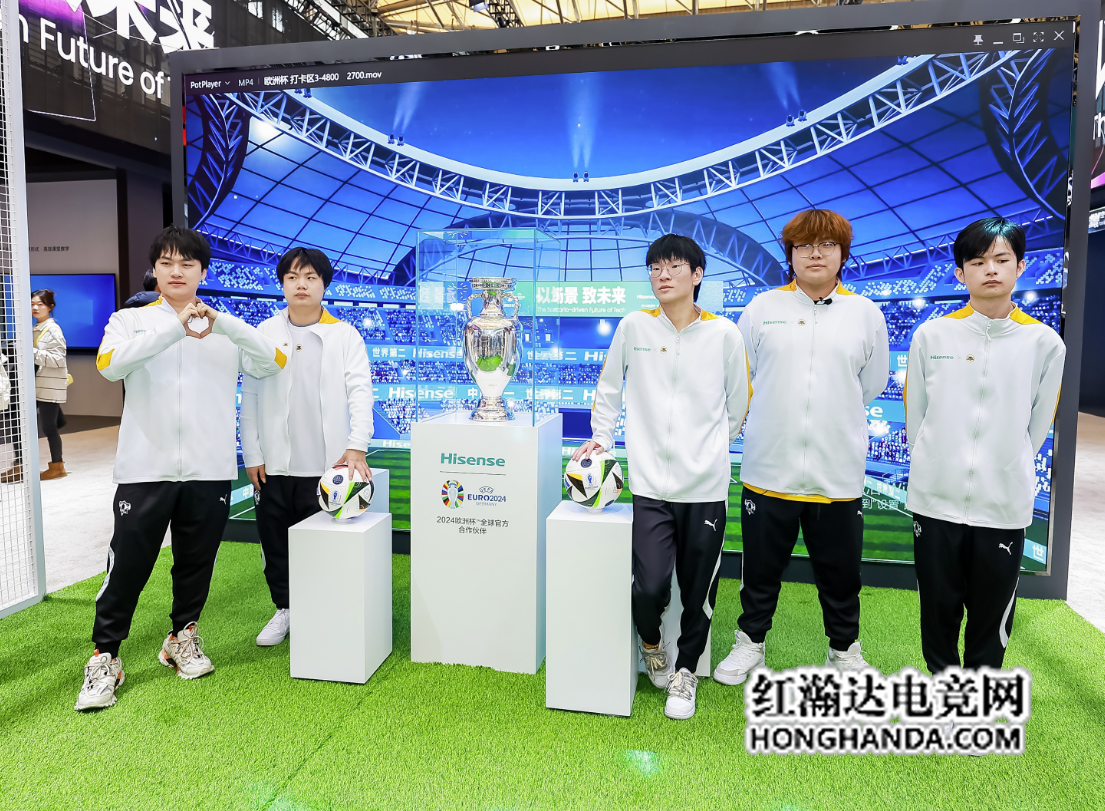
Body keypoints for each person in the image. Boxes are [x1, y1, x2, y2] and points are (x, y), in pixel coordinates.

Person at [74, 226, 286, 712]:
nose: (176, 271)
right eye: (167, 262)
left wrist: (223, 323)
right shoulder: (130, 320)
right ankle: (106, 656)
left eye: (187, 264)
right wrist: (175, 328)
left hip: (208, 469)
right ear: (154, 269)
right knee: (128, 566)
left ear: (202, 272)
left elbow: (273, 361)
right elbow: (108, 366)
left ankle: (181, 638)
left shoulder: (224, 329)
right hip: (144, 468)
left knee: (196, 562)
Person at [574, 233, 750, 720]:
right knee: (649, 586)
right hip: (649, 486)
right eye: (655, 267)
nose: (662, 275)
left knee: (699, 592)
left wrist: (709, 449)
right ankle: (652, 644)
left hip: (705, 489)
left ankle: (686, 670)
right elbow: (610, 387)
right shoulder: (634, 326)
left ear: (697, 275)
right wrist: (602, 439)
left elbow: (738, 405)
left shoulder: (724, 335)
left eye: (673, 266)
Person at [713, 209, 889, 687]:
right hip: (768, 468)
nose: (815, 253)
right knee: (760, 571)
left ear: (842, 254)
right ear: (790, 254)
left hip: (837, 473)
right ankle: (750, 643)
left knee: (841, 576)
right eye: (803, 245)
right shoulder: (761, 309)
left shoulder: (866, 315)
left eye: (827, 244)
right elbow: (742, 378)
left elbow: (871, 385)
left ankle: (844, 652)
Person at [905, 217, 1064, 673]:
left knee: (992, 613)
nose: (990, 269)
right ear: (960, 273)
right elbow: (916, 419)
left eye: (1001, 259)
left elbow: (1037, 427)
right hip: (936, 500)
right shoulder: (931, 335)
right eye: (977, 261)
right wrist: (936, 464)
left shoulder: (1044, 343)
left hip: (1002, 504)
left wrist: (1006, 464)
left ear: (1020, 267)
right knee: (938, 608)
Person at [240, 246, 374, 647]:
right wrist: (252, 454)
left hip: (327, 465)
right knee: (275, 543)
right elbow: (251, 397)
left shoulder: (345, 334)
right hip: (275, 465)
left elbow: (360, 391)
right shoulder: (264, 332)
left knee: (324, 545)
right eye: (293, 277)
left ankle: (323, 611)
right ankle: (284, 609)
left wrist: (357, 445)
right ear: (282, 284)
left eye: (311, 277)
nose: (302, 284)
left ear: (324, 285)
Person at [31, 289, 69, 480]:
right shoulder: (34, 328)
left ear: (50, 307)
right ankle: (21, 464)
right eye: (32, 304)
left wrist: (31, 352)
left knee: (49, 428)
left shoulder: (53, 330)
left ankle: (58, 466)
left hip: (48, 386)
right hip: (37, 386)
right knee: (24, 424)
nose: (35, 307)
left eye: (40, 304)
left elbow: (59, 359)